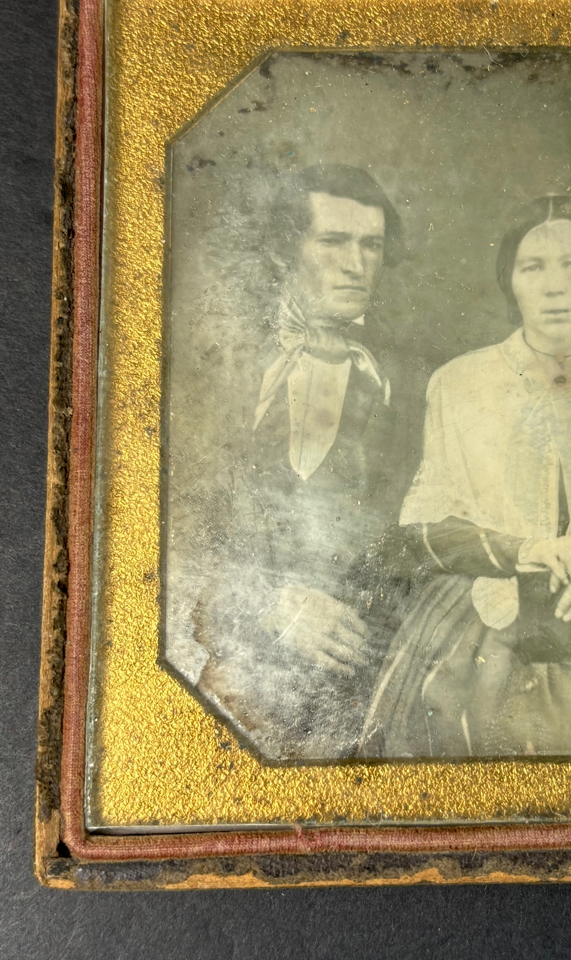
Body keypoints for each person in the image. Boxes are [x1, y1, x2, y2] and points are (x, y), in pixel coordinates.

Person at [360, 195, 571, 758]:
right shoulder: (457, 384)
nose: (554, 287)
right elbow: (423, 528)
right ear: (509, 282)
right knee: (472, 727)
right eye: (533, 267)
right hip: (481, 616)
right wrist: (525, 550)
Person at [170, 165, 423, 762]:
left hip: (363, 682)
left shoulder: (407, 387)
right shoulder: (223, 366)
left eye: (371, 245)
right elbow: (166, 549)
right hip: (233, 673)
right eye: (333, 241)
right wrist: (271, 605)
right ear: (285, 250)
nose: (356, 264)